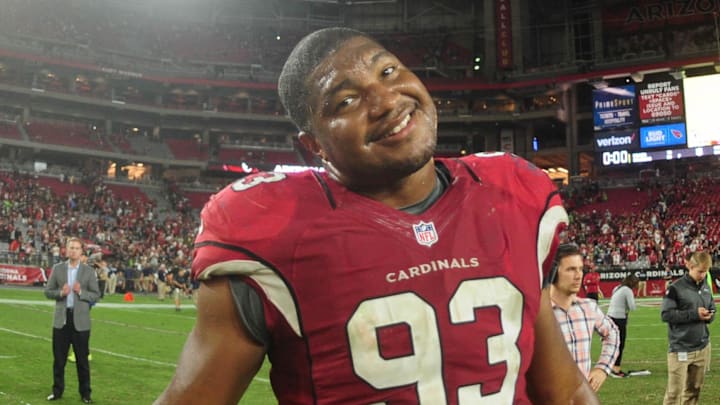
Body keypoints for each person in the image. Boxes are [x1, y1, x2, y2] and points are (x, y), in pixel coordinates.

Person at [156, 27, 598, 404]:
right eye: (346, 101)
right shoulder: (274, 230)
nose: (386, 101)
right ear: (314, 145)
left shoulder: (509, 196)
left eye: (388, 72)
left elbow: (565, 393)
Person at [550, 243, 620, 392]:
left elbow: (612, 333)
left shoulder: (589, 307)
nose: (578, 275)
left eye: (580, 269)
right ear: (553, 272)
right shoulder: (538, 313)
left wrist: (603, 368)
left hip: (582, 397)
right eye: (571, 269)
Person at [44, 237, 99, 403]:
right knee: (59, 360)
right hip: (61, 320)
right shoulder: (58, 269)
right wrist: (60, 293)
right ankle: (57, 391)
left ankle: (85, 394)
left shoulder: (88, 271)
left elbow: (96, 295)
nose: (73, 250)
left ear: (81, 251)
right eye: (71, 247)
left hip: (80, 322)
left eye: (76, 248)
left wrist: (81, 292)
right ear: (66, 250)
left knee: (82, 361)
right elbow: (48, 291)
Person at [661, 251, 715, 404]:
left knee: (694, 391)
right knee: (674, 394)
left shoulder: (705, 286)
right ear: (690, 266)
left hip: (702, 348)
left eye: (706, 271)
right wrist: (694, 314)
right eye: (700, 271)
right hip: (680, 349)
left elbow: (712, 307)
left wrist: (710, 315)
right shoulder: (675, 288)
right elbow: (666, 315)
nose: (703, 275)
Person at [607, 274, 639, 377]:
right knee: (620, 344)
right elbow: (632, 307)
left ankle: (609, 365)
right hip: (619, 318)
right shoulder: (627, 290)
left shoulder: (617, 287)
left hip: (610, 316)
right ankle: (616, 368)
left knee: (612, 343)